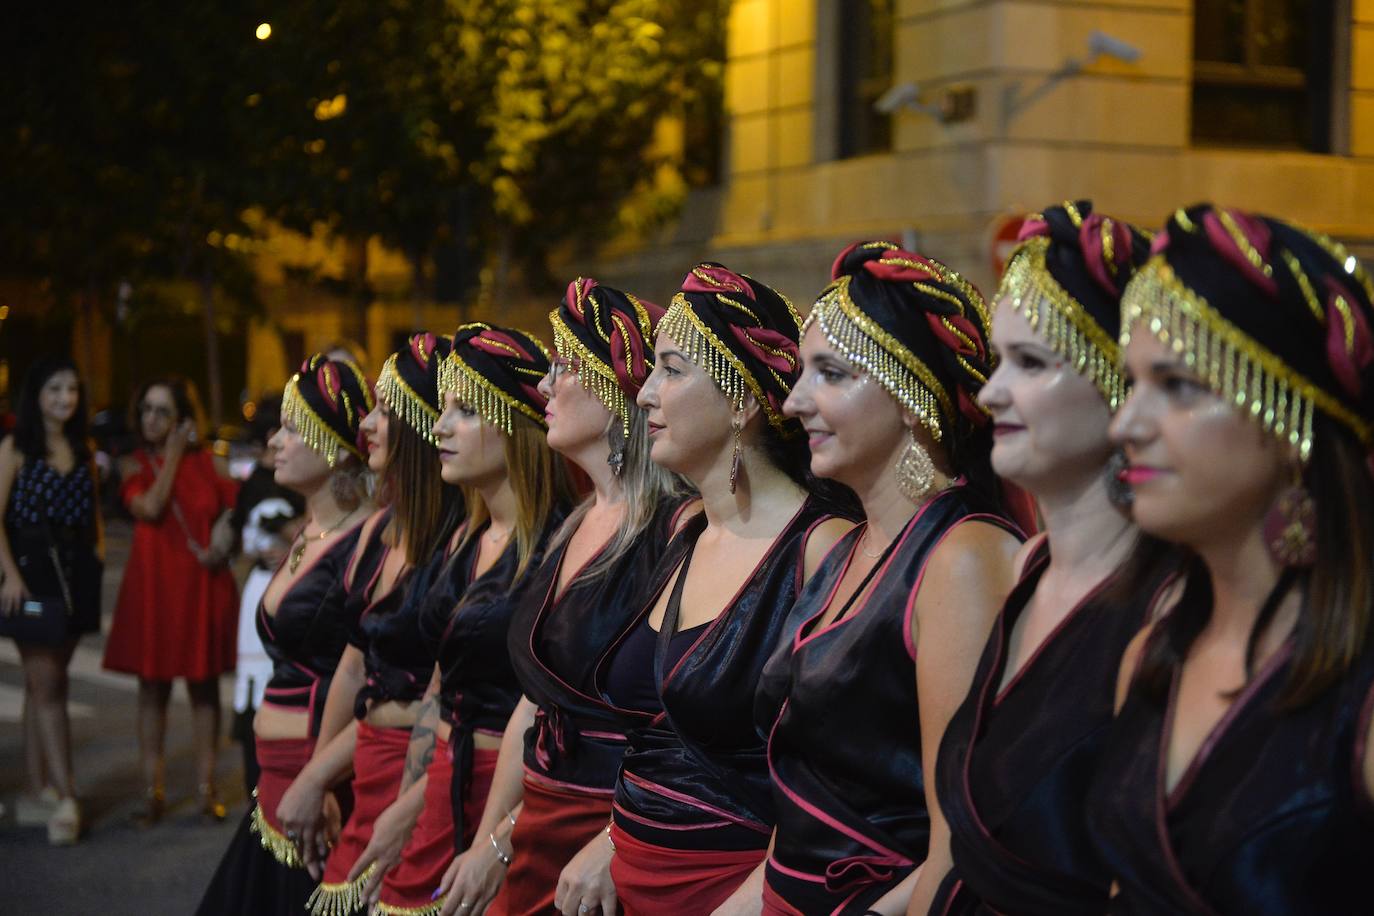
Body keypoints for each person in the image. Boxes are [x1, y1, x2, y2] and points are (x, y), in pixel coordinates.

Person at [1085, 205, 1374, 913]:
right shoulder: (1152, 655)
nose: (1125, 423)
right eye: (1131, 383)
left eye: (1179, 385)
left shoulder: (1360, 702)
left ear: (1291, 421)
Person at [562, 263, 855, 916]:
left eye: (671, 369)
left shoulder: (822, 548)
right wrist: (612, 836)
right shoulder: (684, 528)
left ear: (741, 400)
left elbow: (835, 786)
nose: (643, 394)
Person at [756, 241, 1025, 915]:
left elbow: (956, 844)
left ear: (911, 394)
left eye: (831, 375)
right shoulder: (848, 544)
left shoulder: (960, 558)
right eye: (800, 375)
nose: (793, 404)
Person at [927, 203, 1177, 915]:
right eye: (998, 360)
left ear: (1118, 382)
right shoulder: (1028, 567)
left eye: (1030, 362)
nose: (990, 391)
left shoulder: (1168, 608)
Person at [437, 280, 696, 916]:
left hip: (612, 827)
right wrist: (489, 841)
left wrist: (614, 837)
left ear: (614, 391)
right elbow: (535, 702)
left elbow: (685, 727)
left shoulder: (675, 527)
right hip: (537, 818)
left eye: (563, 368)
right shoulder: (575, 522)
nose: (546, 387)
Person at [355, 324, 577, 915]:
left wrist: (495, 839)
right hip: (443, 781)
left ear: (513, 424)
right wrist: (408, 804)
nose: (439, 427)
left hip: (506, 798)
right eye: (441, 409)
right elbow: (438, 688)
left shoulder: (560, 542)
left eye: (463, 412)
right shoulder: (464, 535)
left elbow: (555, 715)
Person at [281, 334, 465, 916]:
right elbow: (352, 664)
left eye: (385, 410)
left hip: (417, 777)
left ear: (417, 420)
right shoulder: (377, 532)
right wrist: (320, 776)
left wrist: (407, 801)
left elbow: (448, 696)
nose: (367, 424)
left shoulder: (456, 543)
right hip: (362, 759)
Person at [196, 353, 375, 915]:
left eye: (293, 429)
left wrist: (318, 774)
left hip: (317, 780)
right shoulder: (312, 530)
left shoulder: (366, 539)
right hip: (272, 775)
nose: (274, 440)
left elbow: (366, 672)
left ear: (334, 444)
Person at [102, 375, 240, 823]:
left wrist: (222, 539)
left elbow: (238, 509)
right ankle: (152, 791)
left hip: (200, 582)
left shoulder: (210, 464)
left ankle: (206, 789)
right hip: (153, 588)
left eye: (163, 411)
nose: (152, 419)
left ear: (182, 418)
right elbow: (151, 507)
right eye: (146, 409)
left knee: (204, 689)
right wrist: (175, 456)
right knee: (152, 690)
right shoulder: (133, 464)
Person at [0, 356, 102, 845]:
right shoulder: (15, 448)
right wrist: (10, 578)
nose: (65, 399)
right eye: (55, 389)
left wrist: (97, 563)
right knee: (50, 685)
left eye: (72, 390)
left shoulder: (83, 449)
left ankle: (38, 788)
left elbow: (95, 519)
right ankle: (66, 795)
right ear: (36, 394)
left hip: (76, 575)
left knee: (42, 687)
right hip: (31, 575)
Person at [228, 395, 307, 796]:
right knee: (254, 686)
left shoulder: (300, 477)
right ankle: (254, 785)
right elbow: (238, 543)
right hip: (260, 586)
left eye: (288, 431)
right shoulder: (252, 484)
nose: (275, 444)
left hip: (293, 585)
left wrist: (292, 539)